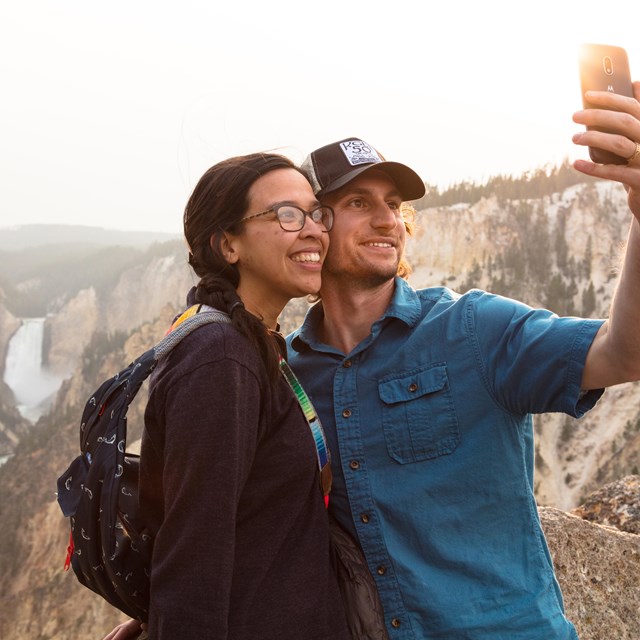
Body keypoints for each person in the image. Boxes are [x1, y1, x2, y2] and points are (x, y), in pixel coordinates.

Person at [287, 85, 640, 638]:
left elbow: (625, 353)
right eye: (358, 203)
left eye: (394, 205)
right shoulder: (288, 375)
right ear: (313, 226)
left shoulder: (474, 328)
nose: (387, 220)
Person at [105, 152, 349, 640]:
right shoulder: (220, 357)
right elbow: (194, 552)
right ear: (227, 245)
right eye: (286, 214)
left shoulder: (252, 341)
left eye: (316, 213)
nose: (314, 230)